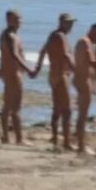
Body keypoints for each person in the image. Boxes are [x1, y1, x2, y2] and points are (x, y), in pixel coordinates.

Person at [33, 13, 77, 151]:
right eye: (68, 23)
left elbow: (42, 52)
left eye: (72, 23)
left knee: (57, 108)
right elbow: (66, 55)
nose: (71, 26)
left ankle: (55, 138)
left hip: (53, 75)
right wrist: (77, 71)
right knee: (67, 110)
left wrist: (37, 69)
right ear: (61, 22)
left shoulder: (53, 35)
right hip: (61, 74)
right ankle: (66, 142)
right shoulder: (61, 36)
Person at [0, 10, 36, 145]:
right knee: (16, 107)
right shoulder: (11, 36)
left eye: (20, 20)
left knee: (7, 105)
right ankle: (19, 138)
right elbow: (15, 55)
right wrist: (28, 68)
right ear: (8, 20)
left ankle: (6, 137)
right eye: (16, 19)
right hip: (14, 74)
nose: (19, 22)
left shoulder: (5, 34)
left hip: (8, 73)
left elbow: (6, 55)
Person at [73, 22, 96, 154]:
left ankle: (81, 144)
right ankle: (81, 146)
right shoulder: (85, 42)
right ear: (93, 31)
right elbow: (92, 62)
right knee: (83, 114)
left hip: (85, 79)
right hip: (83, 80)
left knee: (83, 113)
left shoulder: (88, 43)